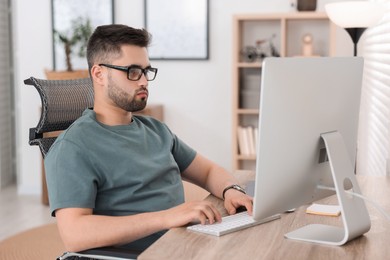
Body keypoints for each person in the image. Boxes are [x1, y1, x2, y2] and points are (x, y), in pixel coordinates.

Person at [44, 24, 253, 253]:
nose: (143, 81)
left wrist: (231, 190)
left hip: (188, 244)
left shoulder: (155, 130)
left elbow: (208, 171)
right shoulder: (73, 147)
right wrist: (167, 218)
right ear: (99, 74)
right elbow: (75, 234)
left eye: (146, 71)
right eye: (133, 71)